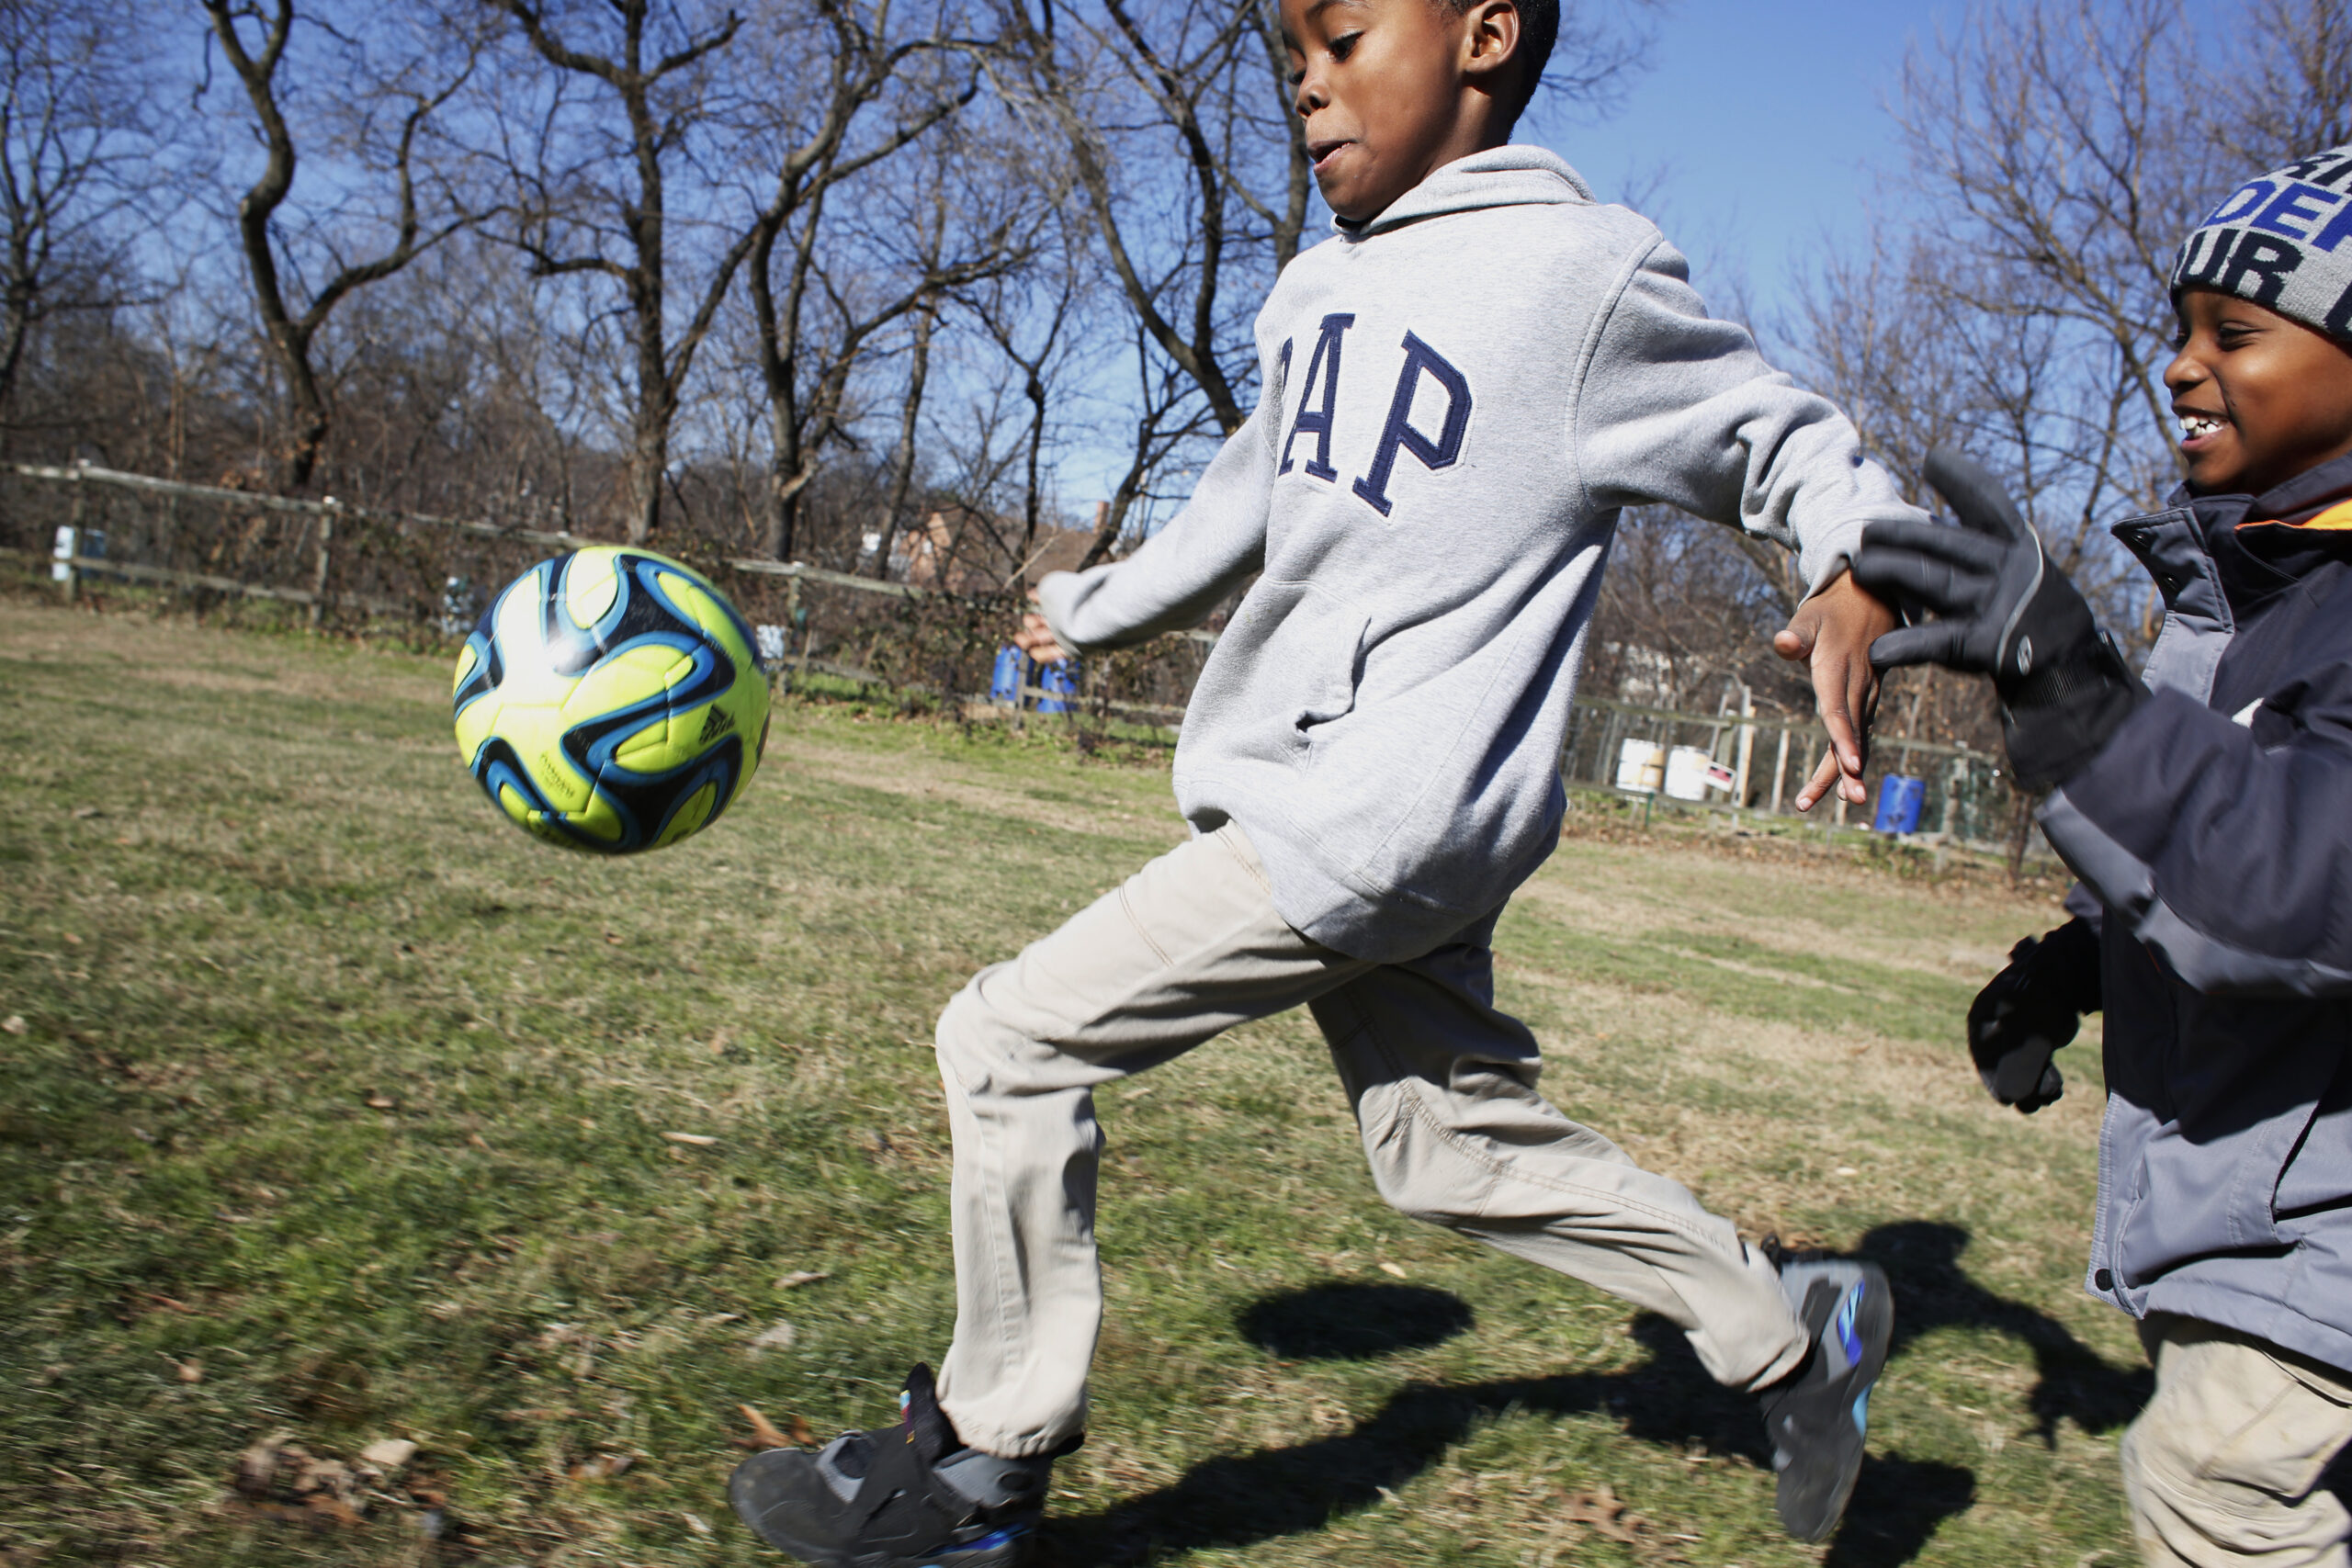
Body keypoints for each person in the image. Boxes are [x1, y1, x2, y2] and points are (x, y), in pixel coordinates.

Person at [730, 0, 1923, 1562]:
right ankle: (1788, 1327)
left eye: (1346, 36)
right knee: (1449, 1143)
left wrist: (1855, 568)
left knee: (1009, 1040)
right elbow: (1248, 497)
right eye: (1294, 49)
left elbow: (1783, 435)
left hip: (1370, 816)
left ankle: (973, 1473)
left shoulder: (1585, 277)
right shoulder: (1314, 293)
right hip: (1362, 823)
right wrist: (1087, 609)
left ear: (1485, 36)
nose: (1307, 79)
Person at [1851, 144, 2352, 1568]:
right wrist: (2073, 963)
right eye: (2180, 327)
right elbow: (2218, 831)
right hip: (2265, 1225)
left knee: (2218, 1482)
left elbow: (2307, 878)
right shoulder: (2259, 587)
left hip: (2317, 1254)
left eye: (2237, 334)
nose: (2181, 368)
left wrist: (2073, 695)